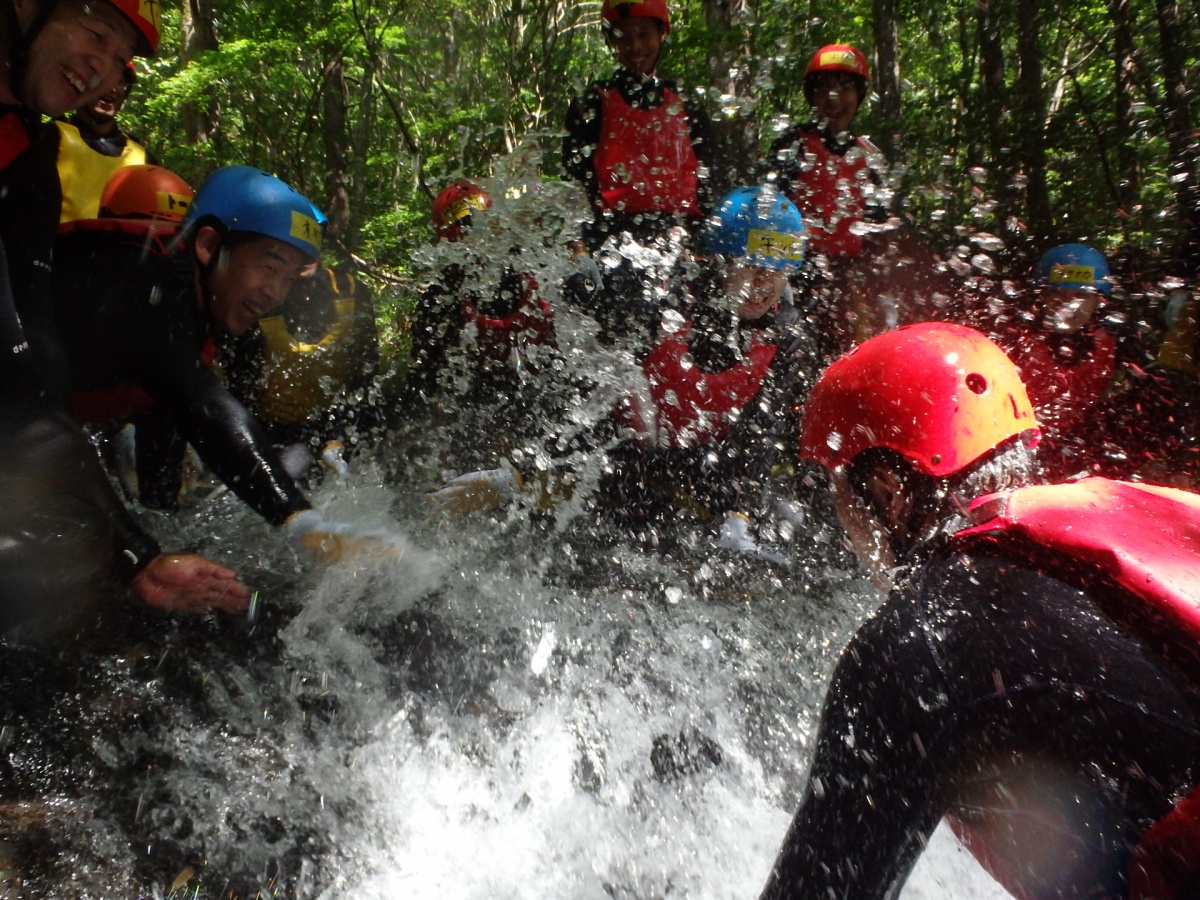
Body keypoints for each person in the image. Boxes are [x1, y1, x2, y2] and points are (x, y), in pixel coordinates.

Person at [760, 321, 1200, 898]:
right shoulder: (1112, 540)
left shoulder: (922, 642)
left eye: (838, 495)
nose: (843, 530)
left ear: (888, 492)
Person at [0, 0, 248, 633]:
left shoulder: (29, 154)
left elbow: (28, 365)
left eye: (119, 60)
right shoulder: (43, 159)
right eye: (95, 31)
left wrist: (135, 549)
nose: (102, 70)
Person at [52, 164, 399, 563]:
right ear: (207, 244)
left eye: (287, 278)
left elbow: (178, 411)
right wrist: (298, 518)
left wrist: (162, 535)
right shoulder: (141, 282)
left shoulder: (202, 300)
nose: (275, 294)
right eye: (269, 267)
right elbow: (206, 404)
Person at [561, 0, 715, 345]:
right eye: (623, 37)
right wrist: (578, 251)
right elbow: (574, 188)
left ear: (662, 34)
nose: (634, 47)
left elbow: (707, 186)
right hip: (612, 242)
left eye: (643, 34)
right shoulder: (592, 104)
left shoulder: (687, 104)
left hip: (676, 240)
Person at [763, 43, 894, 354]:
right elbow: (767, 214)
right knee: (795, 348)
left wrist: (873, 292)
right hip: (796, 272)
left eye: (845, 88)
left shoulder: (869, 157)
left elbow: (879, 234)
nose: (834, 98)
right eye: (824, 88)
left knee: (856, 350)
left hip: (847, 277)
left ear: (859, 96)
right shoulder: (792, 145)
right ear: (812, 96)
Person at [55, 59, 150, 223]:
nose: (112, 89)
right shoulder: (53, 137)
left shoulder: (141, 157)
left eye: (120, 82)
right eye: (105, 80)